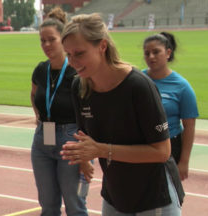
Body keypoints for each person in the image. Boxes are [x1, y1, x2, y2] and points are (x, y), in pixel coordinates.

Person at [60, 13, 182, 215]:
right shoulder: (79, 86)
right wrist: (82, 156)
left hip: (153, 196)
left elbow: (161, 152)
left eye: (79, 53)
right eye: (68, 54)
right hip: (115, 194)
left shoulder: (138, 86)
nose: (72, 62)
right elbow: (85, 138)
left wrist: (101, 150)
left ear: (102, 46)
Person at [30, 7, 92, 216]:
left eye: (51, 40)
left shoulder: (79, 72)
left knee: (75, 206)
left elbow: (90, 114)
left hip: (72, 141)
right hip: (42, 140)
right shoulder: (41, 69)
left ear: (63, 40)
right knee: (47, 206)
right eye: (42, 40)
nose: (46, 45)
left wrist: (86, 156)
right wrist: (40, 117)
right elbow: (34, 94)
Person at [142, 32, 198, 181]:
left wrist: (184, 162)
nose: (151, 57)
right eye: (147, 53)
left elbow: (189, 126)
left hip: (171, 146)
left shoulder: (182, 87)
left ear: (168, 53)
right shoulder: (138, 81)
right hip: (141, 145)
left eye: (156, 52)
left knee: (169, 195)